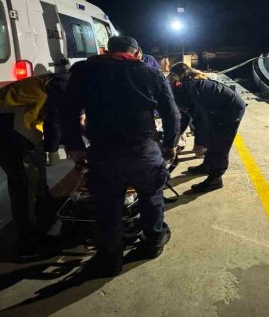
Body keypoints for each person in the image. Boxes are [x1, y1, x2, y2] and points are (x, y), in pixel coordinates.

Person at [62, 35, 180, 277]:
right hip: (143, 148)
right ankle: (154, 240)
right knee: (150, 196)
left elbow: (67, 112)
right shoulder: (150, 73)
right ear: (136, 53)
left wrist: (76, 147)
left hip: (105, 150)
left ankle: (109, 259)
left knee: (108, 206)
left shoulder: (85, 71)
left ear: (107, 51)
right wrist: (170, 144)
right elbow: (172, 113)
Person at [0, 72, 71, 255]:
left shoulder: (60, 82)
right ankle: (28, 238)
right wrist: (54, 148)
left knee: (38, 176)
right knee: (25, 182)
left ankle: (44, 217)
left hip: (17, 128)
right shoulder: (60, 85)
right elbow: (55, 118)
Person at [169, 63, 246, 193]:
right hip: (216, 110)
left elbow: (200, 120)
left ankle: (215, 179)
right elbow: (185, 117)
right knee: (212, 138)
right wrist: (176, 138)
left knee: (220, 144)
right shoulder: (185, 89)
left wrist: (199, 144)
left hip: (230, 110)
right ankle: (207, 166)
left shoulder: (190, 89)